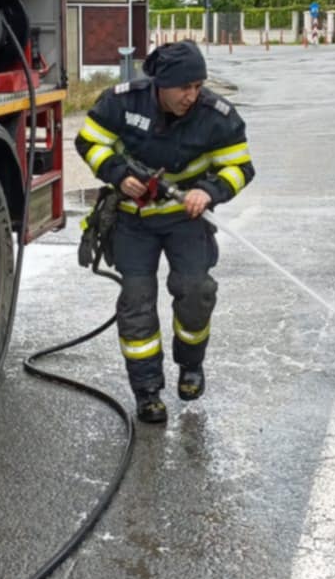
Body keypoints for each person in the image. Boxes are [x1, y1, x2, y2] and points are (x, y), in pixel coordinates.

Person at [74, 41, 254, 425]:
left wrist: (208, 192)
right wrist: (119, 175)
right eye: (183, 88)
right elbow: (88, 140)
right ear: (161, 85)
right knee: (137, 301)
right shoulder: (123, 102)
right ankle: (147, 391)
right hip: (133, 220)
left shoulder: (216, 116)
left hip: (184, 221)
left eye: (198, 86)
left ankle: (191, 366)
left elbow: (240, 167)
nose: (192, 96)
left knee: (196, 291)